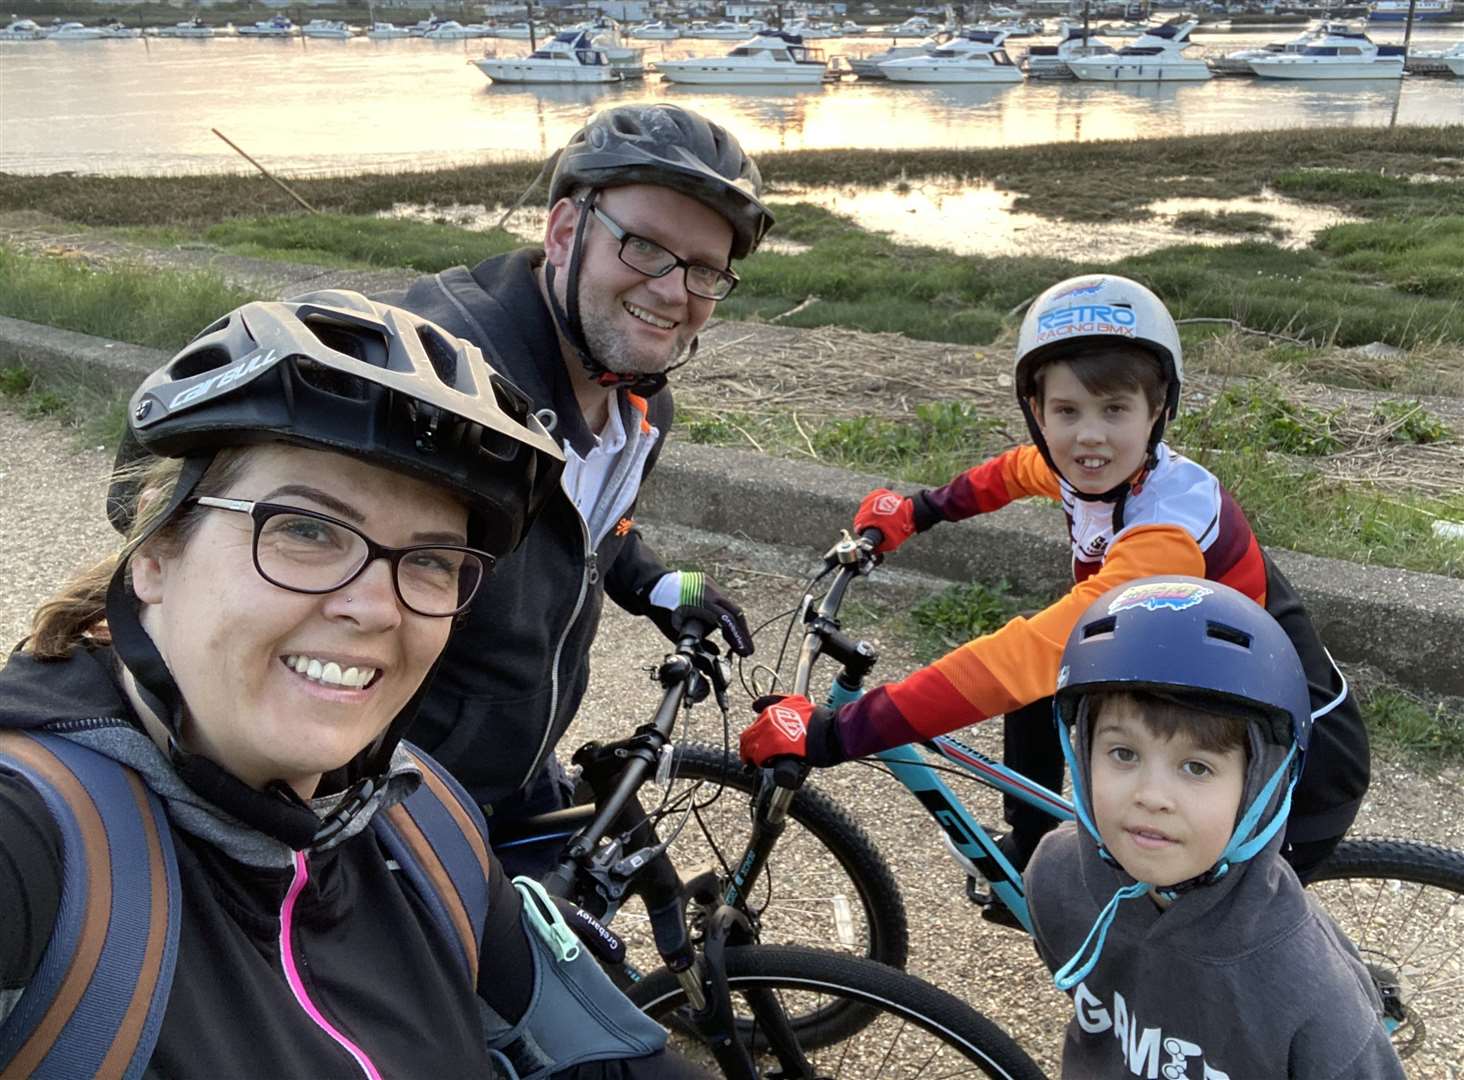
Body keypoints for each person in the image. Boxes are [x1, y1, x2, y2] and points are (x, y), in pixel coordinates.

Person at [0, 294, 702, 1078]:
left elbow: (609, 1060)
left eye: (432, 560)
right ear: (157, 553)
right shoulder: (36, 844)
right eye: (306, 530)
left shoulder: (424, 821)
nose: (374, 608)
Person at [740, 274, 1369, 885]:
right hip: (1205, 698)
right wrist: (917, 511)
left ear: (1159, 411)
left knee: (1190, 951)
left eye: (1115, 409)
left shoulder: (1168, 529)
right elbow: (1013, 472)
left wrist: (842, 730)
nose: (1088, 436)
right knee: (1055, 682)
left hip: (1285, 756)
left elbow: (1023, 657)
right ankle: (1035, 843)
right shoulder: (1093, 468)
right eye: (1066, 410)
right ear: (1036, 412)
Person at [386, 103, 773, 851]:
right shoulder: (442, 373)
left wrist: (657, 584)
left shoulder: (640, 402)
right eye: (645, 248)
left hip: (516, 771)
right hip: (399, 800)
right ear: (564, 233)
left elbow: (584, 522)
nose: (673, 291)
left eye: (703, 270)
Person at [1024, 576, 1402, 1079]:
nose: (1150, 796)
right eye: (1122, 753)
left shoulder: (1315, 1000)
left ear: (1263, 785)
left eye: (1196, 767)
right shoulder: (1055, 878)